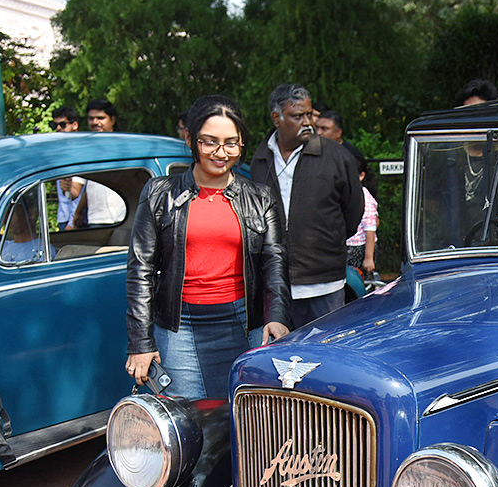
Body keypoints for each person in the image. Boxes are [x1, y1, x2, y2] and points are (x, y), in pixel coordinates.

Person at [126, 95, 290, 400]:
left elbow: (275, 262)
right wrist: (140, 343)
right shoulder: (160, 194)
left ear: (242, 143)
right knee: (189, 424)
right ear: (191, 140)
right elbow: (141, 270)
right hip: (180, 328)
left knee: (252, 418)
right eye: (209, 142)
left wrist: (277, 317)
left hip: (246, 324)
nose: (221, 152)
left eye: (231, 143)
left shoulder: (260, 196)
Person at [250, 84, 363, 327]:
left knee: (326, 355)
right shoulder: (260, 159)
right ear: (276, 118)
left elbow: (353, 211)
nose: (307, 122)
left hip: (325, 281)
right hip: (277, 283)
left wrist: (328, 241)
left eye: (309, 114)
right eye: (297, 116)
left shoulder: (335, 156)